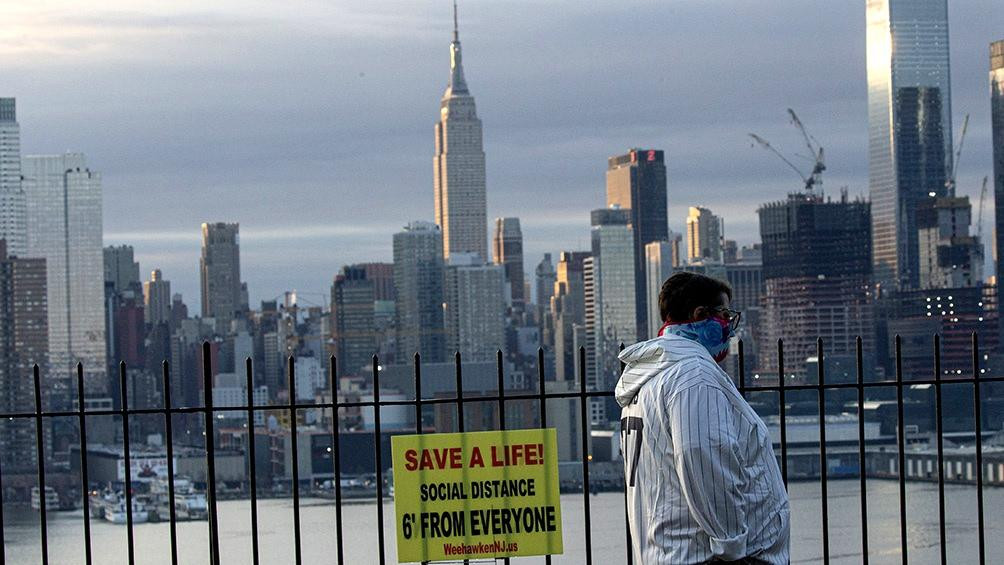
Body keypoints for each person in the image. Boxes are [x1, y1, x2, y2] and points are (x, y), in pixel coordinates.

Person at [616, 272, 789, 564]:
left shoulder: (647, 382)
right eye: (725, 316)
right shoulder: (694, 376)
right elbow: (703, 457)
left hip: (673, 551)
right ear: (700, 314)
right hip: (709, 558)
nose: (729, 329)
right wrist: (732, 546)